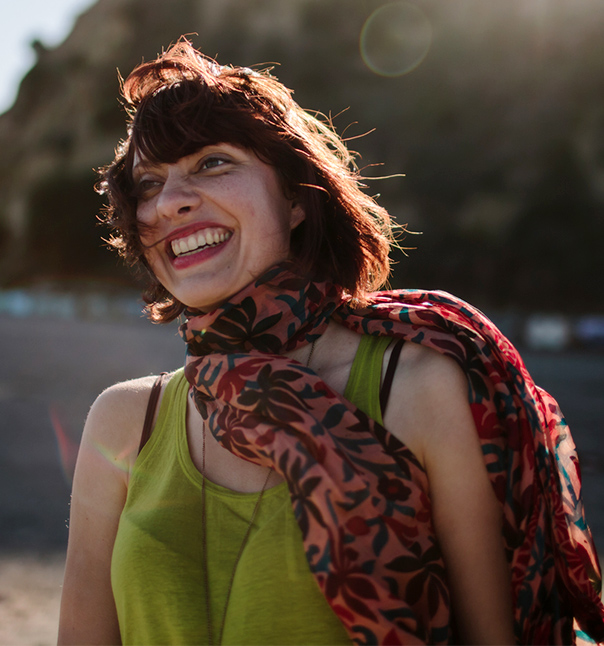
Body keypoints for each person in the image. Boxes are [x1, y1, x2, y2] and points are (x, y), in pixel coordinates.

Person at [58, 39, 604, 645]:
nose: (169, 203)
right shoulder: (125, 422)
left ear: (295, 198)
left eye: (213, 163)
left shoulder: (416, 389)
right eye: (147, 184)